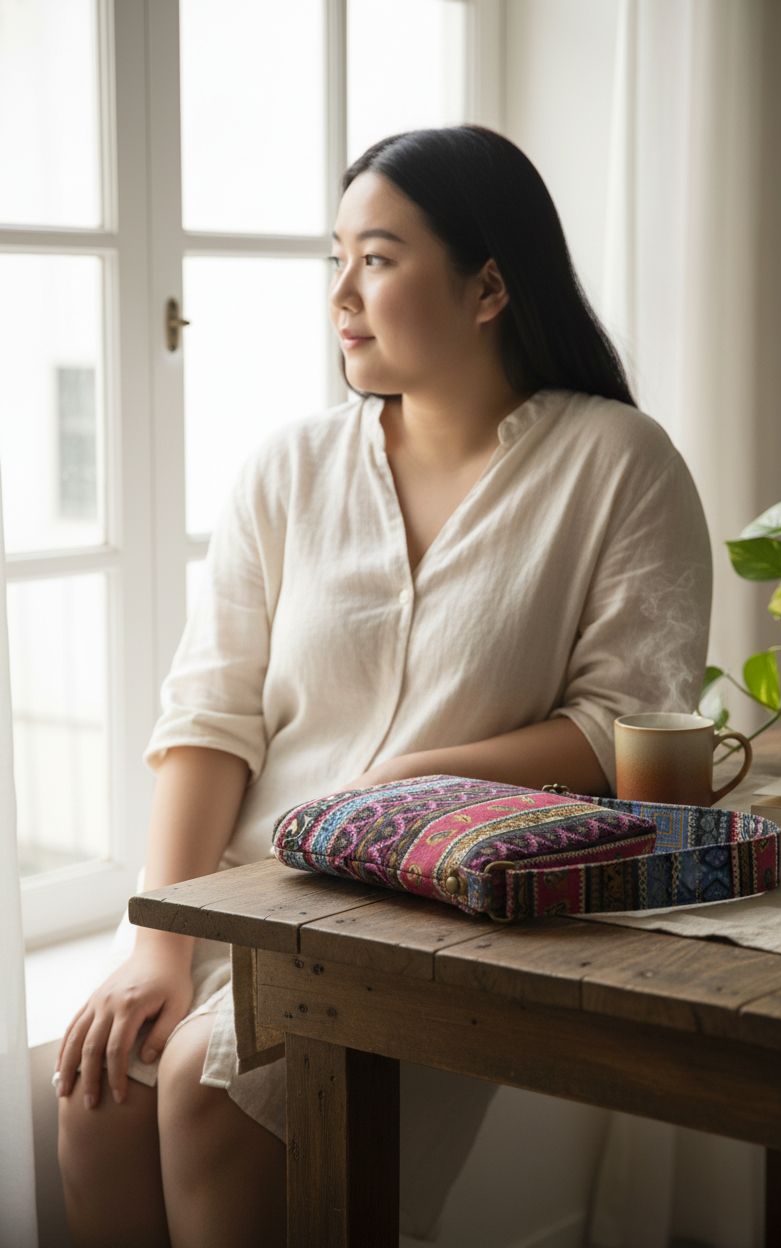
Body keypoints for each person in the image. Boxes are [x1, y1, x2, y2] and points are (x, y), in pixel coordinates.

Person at [55, 124, 712, 1247]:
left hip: (436, 911)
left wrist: (410, 781)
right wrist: (157, 941)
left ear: (488, 287)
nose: (341, 294)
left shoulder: (617, 462)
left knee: (210, 1094)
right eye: (336, 258)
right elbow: (210, 716)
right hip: (247, 889)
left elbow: (624, 728)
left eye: (377, 258)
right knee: (100, 1088)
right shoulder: (290, 468)